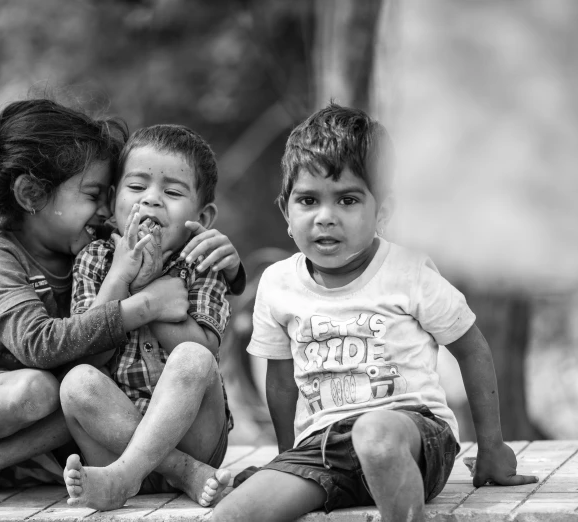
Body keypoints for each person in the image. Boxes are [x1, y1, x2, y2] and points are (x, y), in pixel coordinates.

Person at [211, 104, 538, 522]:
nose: (325, 217)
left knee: (373, 433)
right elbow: (280, 381)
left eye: (347, 199)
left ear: (382, 211)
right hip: (323, 449)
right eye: (308, 200)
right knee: (230, 514)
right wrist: (286, 460)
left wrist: (491, 446)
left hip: (414, 436)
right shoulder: (277, 284)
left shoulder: (408, 271)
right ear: (286, 213)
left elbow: (472, 349)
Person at [0, 99, 195, 517]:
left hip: (31, 446)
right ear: (32, 194)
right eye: (92, 195)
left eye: (108, 195)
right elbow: (39, 346)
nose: (106, 210)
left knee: (74, 392)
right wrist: (140, 307)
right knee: (38, 388)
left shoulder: (93, 248)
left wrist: (226, 266)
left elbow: (94, 351)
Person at [60, 124, 244, 511]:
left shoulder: (202, 262)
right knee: (75, 382)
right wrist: (125, 281)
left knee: (194, 359)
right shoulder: (94, 259)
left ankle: (124, 479)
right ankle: (182, 473)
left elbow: (205, 348)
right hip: (112, 441)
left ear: (203, 216)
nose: (152, 200)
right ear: (112, 201)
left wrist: (153, 295)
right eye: (137, 186)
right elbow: (84, 353)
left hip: (195, 434)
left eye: (173, 192)